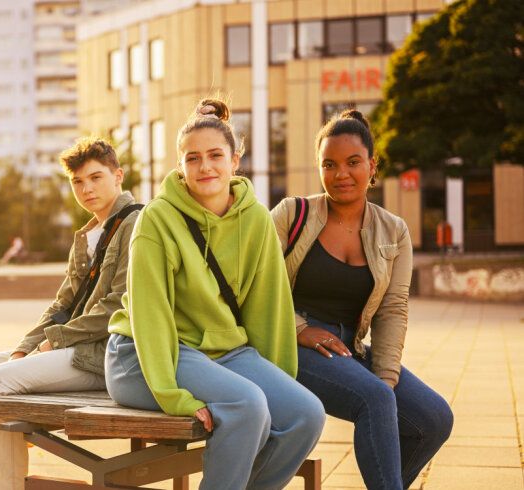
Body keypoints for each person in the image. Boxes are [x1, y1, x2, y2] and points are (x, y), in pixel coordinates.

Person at [105, 99, 326, 490]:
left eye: (215, 155)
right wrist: (174, 397)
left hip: (223, 351)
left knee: (306, 413)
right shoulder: (156, 219)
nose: (204, 166)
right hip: (144, 354)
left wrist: (276, 380)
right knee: (247, 406)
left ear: (235, 160)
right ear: (180, 167)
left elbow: (268, 307)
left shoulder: (255, 218)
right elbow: (150, 315)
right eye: (192, 158)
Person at [271, 110, 452, 490]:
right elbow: (255, 287)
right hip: (286, 341)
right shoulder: (292, 214)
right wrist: (300, 329)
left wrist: (386, 377)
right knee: (373, 399)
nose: (341, 174)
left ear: (372, 166)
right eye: (329, 164)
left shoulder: (394, 230)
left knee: (433, 419)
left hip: (348, 347)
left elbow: (392, 309)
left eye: (353, 162)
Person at [0, 137, 142, 490]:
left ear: (118, 176)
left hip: (103, 357)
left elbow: (119, 305)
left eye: (95, 178)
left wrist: (52, 343)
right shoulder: (89, 234)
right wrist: (23, 348)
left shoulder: (137, 223)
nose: (86, 188)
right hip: (71, 350)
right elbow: (60, 306)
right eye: (78, 182)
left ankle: (2, 487)